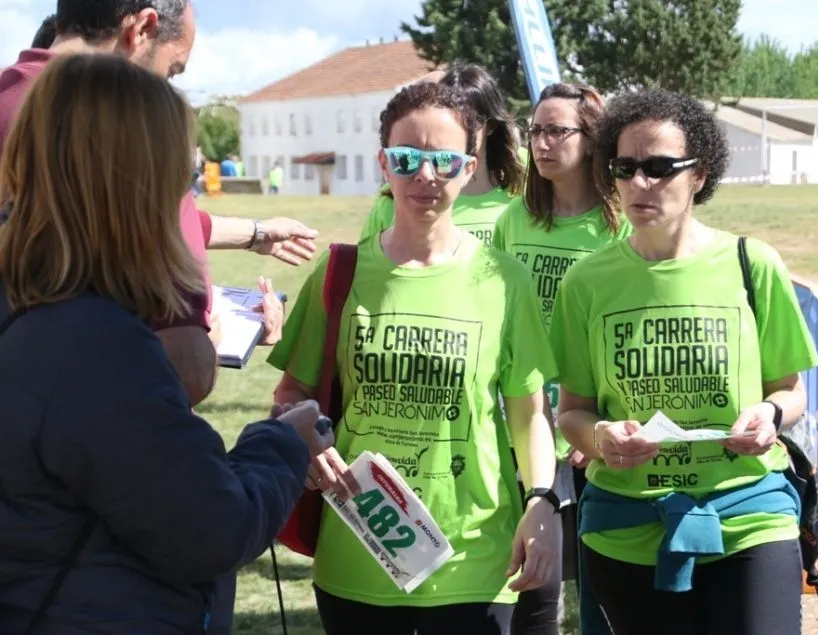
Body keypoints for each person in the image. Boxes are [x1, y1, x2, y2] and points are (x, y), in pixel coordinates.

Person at [0, 52, 332, 635]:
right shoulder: (95, 346)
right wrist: (282, 443)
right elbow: (210, 527)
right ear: (138, 186)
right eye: (181, 180)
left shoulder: (39, 305)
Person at [268, 81, 561, 635]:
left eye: (443, 161)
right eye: (406, 159)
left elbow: (529, 416)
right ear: (384, 164)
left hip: (475, 555)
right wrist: (306, 438)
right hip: (358, 552)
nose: (425, 175)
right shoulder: (340, 273)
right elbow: (292, 393)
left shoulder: (506, 279)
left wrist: (542, 500)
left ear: (468, 168)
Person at [548, 87, 818, 634]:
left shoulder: (753, 264)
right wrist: (601, 437)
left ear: (699, 174)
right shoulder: (585, 283)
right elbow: (571, 412)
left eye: (659, 167)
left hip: (749, 510)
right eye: (624, 168)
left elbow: (791, 391)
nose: (639, 183)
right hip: (627, 524)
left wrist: (770, 416)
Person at [0, 0, 320, 406]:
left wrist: (255, 233)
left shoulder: (12, 99)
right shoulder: (137, 140)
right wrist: (214, 343)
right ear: (143, 28)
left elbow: (128, 220)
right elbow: (185, 369)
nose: (165, 89)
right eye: (172, 72)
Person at [491, 81, 631, 633]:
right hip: (525, 416)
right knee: (531, 576)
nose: (542, 144)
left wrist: (583, 423)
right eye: (535, 131)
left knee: (600, 585)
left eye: (556, 130)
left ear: (591, 137)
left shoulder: (619, 223)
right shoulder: (514, 220)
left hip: (592, 419)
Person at [359, 63, 526, 246]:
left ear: (491, 125)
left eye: (473, 120)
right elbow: (366, 259)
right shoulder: (396, 200)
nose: (463, 129)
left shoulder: (522, 193)